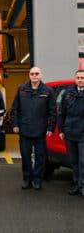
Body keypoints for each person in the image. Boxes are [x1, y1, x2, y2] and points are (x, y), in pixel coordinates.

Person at [11, 67, 56, 190]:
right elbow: (15, 109)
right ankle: (27, 179)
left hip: (40, 131)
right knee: (25, 157)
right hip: (24, 131)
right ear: (29, 75)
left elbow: (52, 112)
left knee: (40, 158)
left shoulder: (48, 91)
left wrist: (50, 128)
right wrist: (15, 125)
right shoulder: (22, 89)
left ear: (40, 75)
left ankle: (37, 180)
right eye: (32, 74)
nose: (34, 76)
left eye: (37, 74)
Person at [58, 69, 84, 197]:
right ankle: (77, 185)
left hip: (82, 134)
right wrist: (62, 129)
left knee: (82, 161)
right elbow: (61, 112)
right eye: (78, 77)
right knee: (73, 161)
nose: (80, 79)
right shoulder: (69, 92)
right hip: (70, 132)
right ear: (75, 79)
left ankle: (82, 186)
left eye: (82, 77)